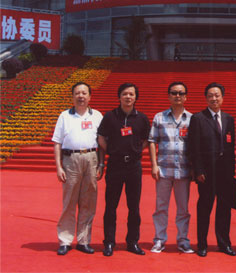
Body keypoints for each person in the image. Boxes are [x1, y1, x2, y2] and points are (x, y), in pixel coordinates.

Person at [97, 82, 150, 257]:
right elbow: (101, 137)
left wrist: (135, 151)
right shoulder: (111, 116)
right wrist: (112, 152)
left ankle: (132, 241)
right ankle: (109, 242)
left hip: (133, 166)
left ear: (136, 97)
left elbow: (145, 140)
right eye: (125, 94)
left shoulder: (141, 118)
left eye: (131, 94)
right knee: (111, 205)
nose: (128, 97)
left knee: (133, 206)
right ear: (119, 96)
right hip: (115, 165)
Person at [52, 82, 103, 256]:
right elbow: (57, 143)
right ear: (72, 96)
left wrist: (101, 164)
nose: (81, 96)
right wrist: (59, 167)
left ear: (90, 96)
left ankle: (83, 240)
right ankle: (65, 240)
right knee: (69, 202)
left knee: (88, 202)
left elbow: (102, 143)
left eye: (84, 93)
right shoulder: (65, 116)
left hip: (91, 159)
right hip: (70, 160)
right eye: (77, 93)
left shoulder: (97, 115)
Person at [187, 82, 236, 257]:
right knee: (205, 208)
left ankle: (224, 243)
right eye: (210, 95)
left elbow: (231, 145)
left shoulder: (229, 119)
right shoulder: (198, 118)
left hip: (225, 174)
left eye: (217, 95)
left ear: (222, 97)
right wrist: (198, 170)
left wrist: (232, 173)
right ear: (206, 98)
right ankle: (202, 244)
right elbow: (193, 147)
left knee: (224, 209)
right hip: (206, 174)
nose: (214, 98)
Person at [148, 82, 194, 254]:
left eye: (181, 93)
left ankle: (183, 240)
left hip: (183, 171)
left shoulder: (191, 119)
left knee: (183, 209)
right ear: (168, 96)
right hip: (164, 170)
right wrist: (154, 165)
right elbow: (152, 141)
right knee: (161, 207)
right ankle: (159, 239)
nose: (177, 96)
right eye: (174, 93)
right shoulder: (159, 117)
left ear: (186, 97)